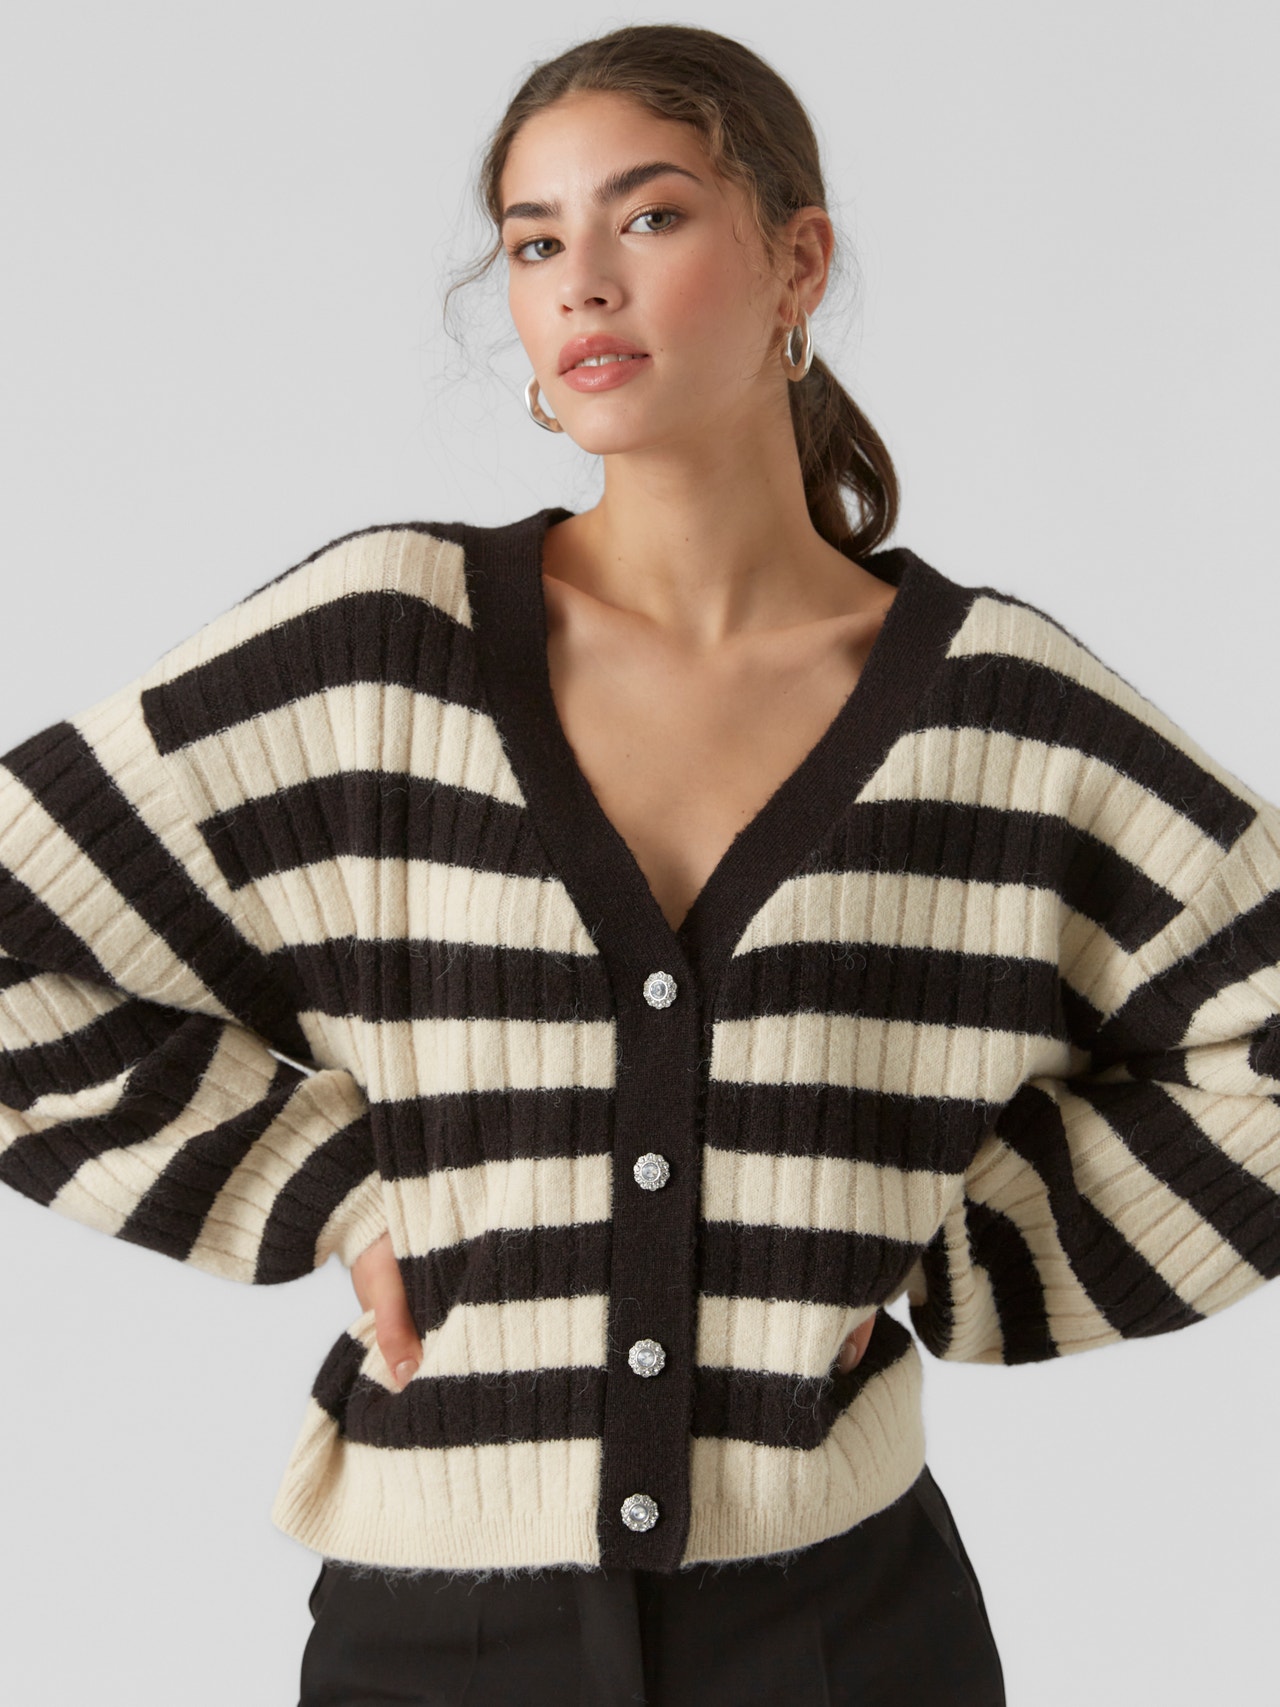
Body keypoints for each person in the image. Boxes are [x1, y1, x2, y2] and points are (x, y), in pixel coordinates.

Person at [2, 21, 1278, 1707]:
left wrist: (948, 1248)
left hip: (843, 1632)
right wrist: (326, 1189)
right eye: (536, 243)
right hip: (438, 1641)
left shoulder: (995, 712)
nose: (582, 282)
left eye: (651, 217)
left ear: (798, 262)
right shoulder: (382, 655)